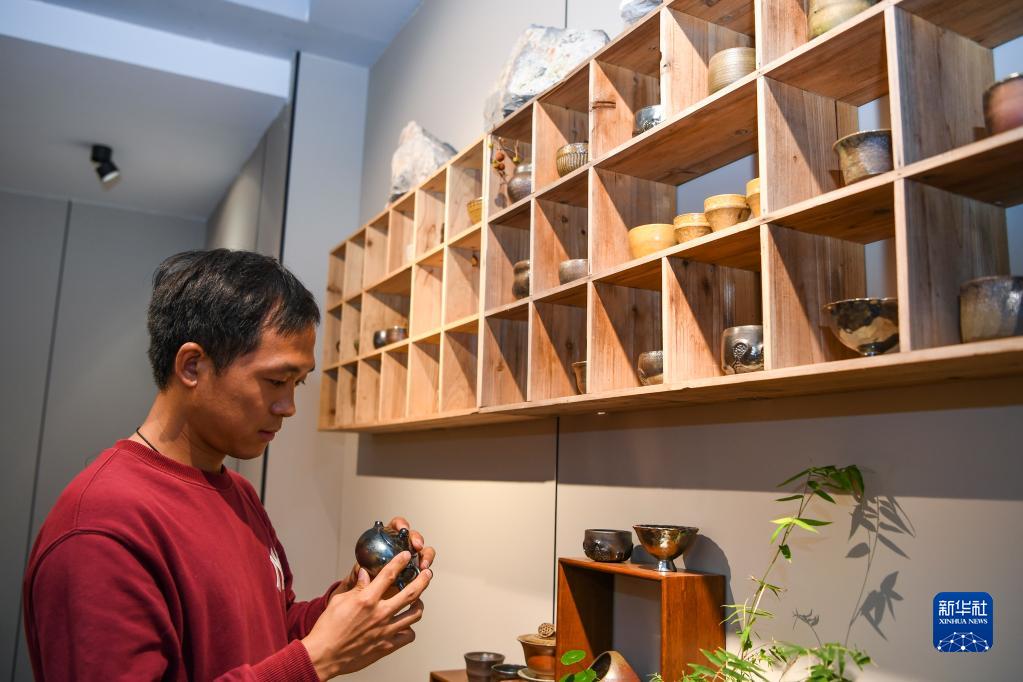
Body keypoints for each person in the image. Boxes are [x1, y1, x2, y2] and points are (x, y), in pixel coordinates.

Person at [22, 249, 434, 680]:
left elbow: (271, 632)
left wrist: (350, 601)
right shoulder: (101, 527)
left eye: (298, 383)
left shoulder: (239, 493)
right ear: (192, 366)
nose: (289, 406)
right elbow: (294, 661)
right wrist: (316, 661)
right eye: (276, 381)